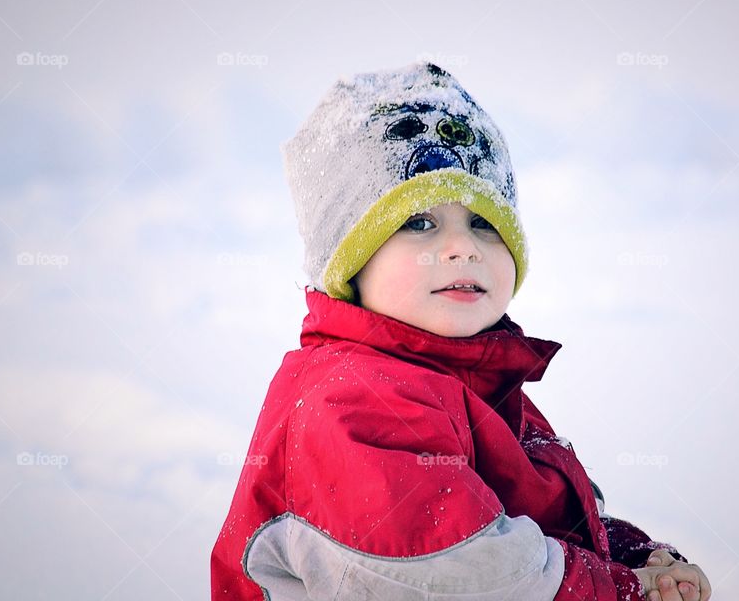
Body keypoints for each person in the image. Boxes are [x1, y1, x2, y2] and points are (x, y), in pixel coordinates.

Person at [210, 61, 711, 601]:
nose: (463, 247)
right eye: (419, 222)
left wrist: (632, 557)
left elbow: (542, 522)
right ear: (350, 263)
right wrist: (617, 590)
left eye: (484, 223)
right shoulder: (351, 400)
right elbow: (461, 575)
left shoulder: (474, 379)